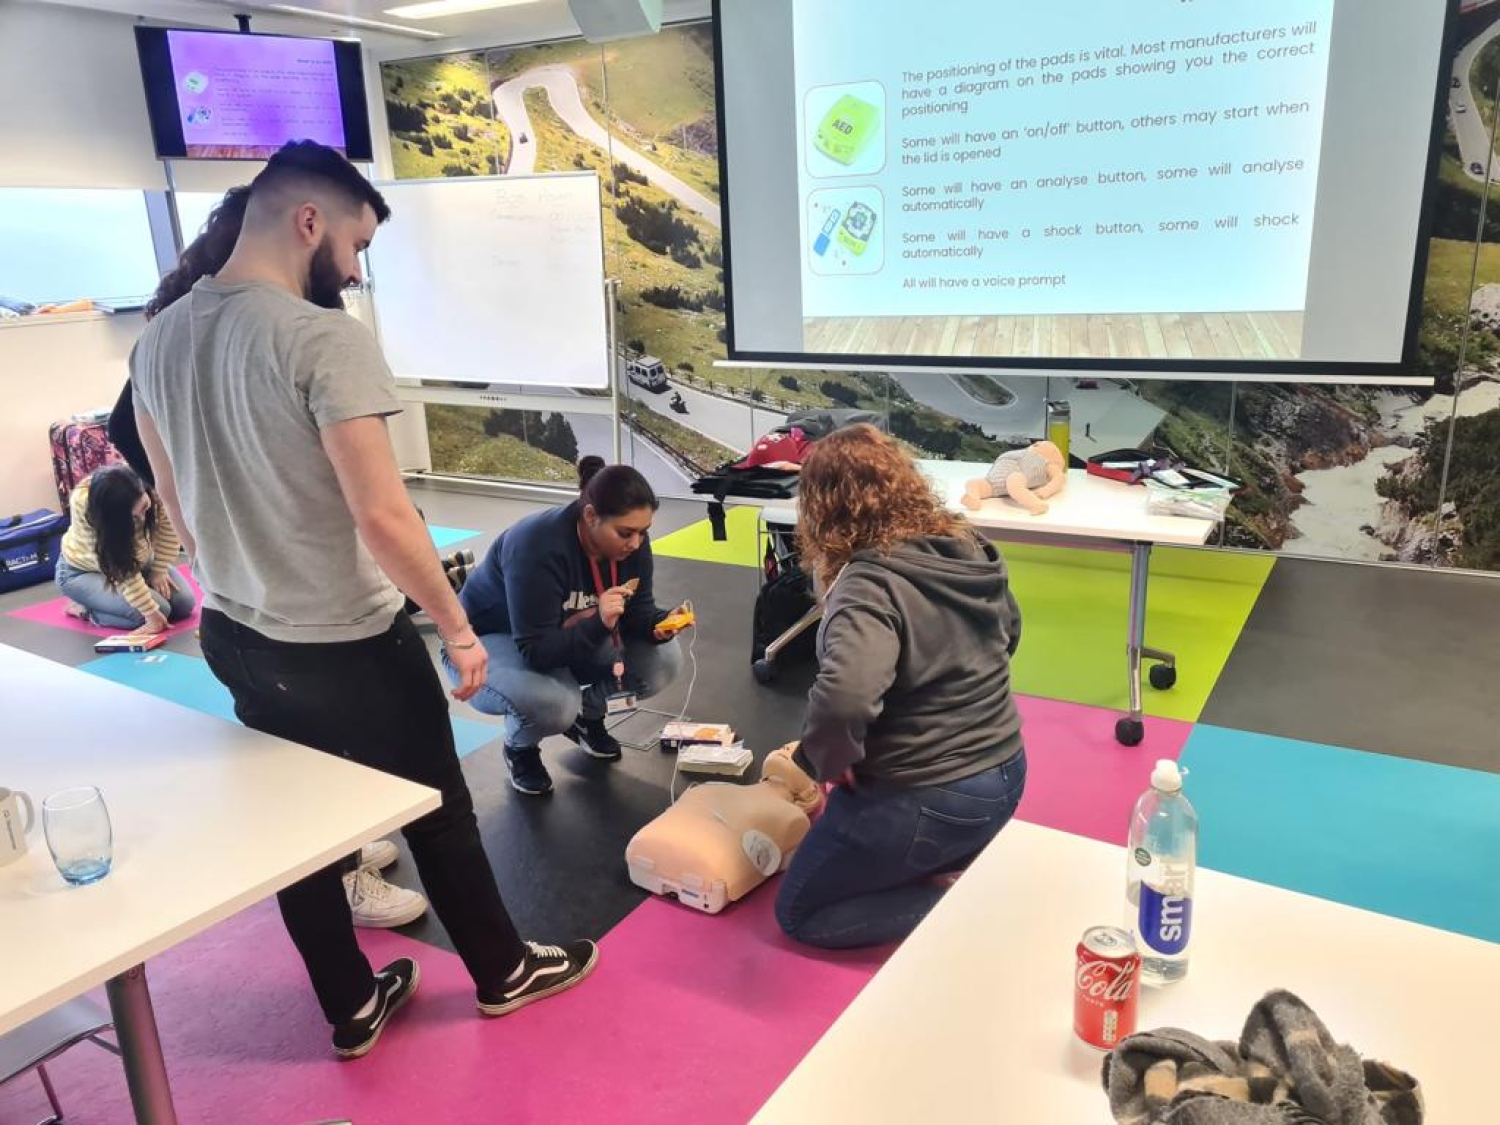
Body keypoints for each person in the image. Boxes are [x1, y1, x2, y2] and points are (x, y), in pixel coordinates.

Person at [131, 140, 597, 1059]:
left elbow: (171, 497)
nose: (354, 270)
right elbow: (382, 514)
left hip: (235, 632)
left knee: (298, 828)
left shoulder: (157, 337)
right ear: (310, 221)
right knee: (437, 806)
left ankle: (351, 1006)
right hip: (347, 639)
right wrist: (458, 629)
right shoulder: (323, 338)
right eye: (356, 245)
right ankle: (503, 971)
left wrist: (228, 583)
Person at [120, 182, 426, 930]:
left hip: (243, 602)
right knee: (317, 771)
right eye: (355, 249)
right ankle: (346, 873)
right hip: (284, 608)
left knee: (304, 773)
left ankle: (346, 873)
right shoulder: (218, 333)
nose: (352, 270)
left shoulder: (205, 330)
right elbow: (154, 459)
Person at [773, 424, 1028, 949]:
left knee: (799, 912)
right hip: (1008, 773)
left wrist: (829, 761)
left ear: (821, 507)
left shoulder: (868, 584)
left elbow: (845, 699)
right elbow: (1009, 634)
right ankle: (947, 862)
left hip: (932, 796)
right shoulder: (967, 545)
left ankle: (969, 907)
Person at [452, 455, 686, 796]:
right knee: (556, 703)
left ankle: (587, 717)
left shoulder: (631, 544)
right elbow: (536, 651)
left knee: (662, 660)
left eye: (643, 532)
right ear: (590, 516)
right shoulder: (535, 545)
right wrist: (599, 622)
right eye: (625, 533)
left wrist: (658, 624)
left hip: (563, 633)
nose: (636, 543)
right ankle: (520, 747)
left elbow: (638, 611)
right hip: (483, 640)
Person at [55, 464, 195, 632]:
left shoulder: (148, 482)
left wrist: (159, 570)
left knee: (184, 604)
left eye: (145, 508)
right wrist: (150, 613)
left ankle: (111, 602)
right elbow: (119, 564)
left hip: (138, 560)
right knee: (157, 611)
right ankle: (85, 608)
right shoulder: (88, 508)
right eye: (132, 517)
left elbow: (170, 527)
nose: (142, 519)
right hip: (83, 572)